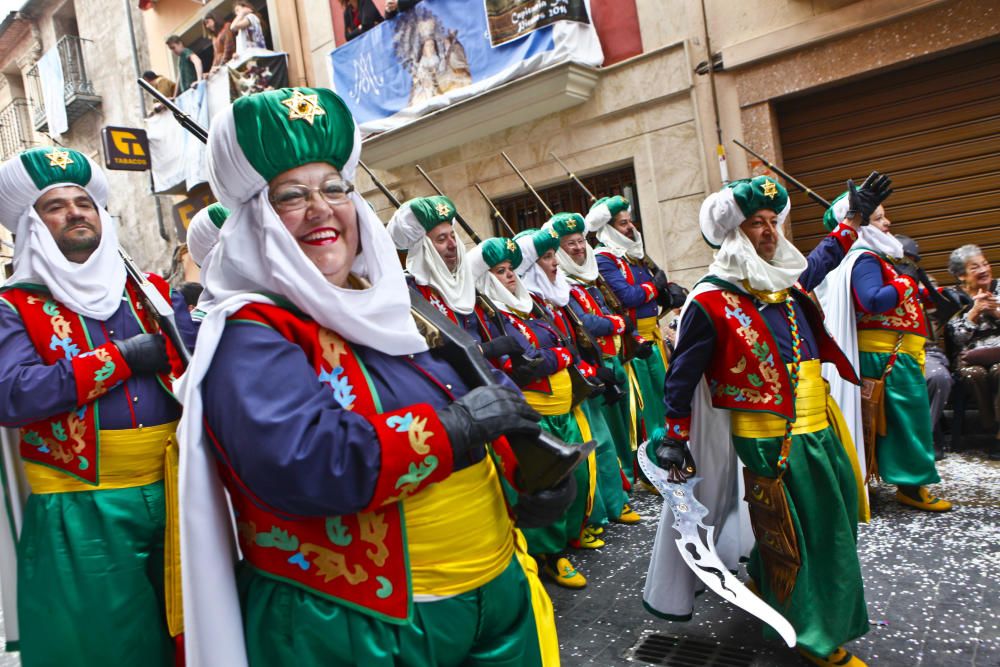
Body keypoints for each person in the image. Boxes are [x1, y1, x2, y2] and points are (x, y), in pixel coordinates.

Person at [177, 87, 569, 666]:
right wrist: (453, 428)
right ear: (259, 218)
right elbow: (301, 462)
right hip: (362, 624)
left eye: (334, 188)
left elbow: (483, 388)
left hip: (496, 592)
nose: (321, 208)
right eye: (292, 195)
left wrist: (528, 471)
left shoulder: (397, 304)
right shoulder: (250, 332)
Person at [644, 175, 872, 667]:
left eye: (773, 222)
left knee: (819, 522)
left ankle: (775, 588)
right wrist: (674, 437)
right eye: (756, 223)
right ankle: (815, 633)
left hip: (820, 424)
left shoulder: (783, 279)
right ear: (733, 232)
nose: (769, 231)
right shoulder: (709, 300)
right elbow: (681, 377)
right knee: (814, 530)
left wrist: (851, 221)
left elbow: (822, 260)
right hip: (771, 438)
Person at [0, 146, 195, 664]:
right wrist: (119, 359)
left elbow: (201, 353)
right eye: (56, 205)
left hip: (175, 487)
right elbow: (13, 393)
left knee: (190, 634)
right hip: (80, 503)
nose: (75, 212)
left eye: (83, 202)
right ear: (33, 225)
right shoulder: (13, 305)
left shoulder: (149, 291)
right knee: (101, 646)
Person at [467, 235, 596, 589]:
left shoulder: (533, 304)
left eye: (511, 269)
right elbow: (520, 365)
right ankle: (550, 555)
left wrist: (556, 358)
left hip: (563, 405)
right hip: (534, 409)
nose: (509, 276)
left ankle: (570, 537)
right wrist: (552, 358)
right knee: (547, 480)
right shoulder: (486, 316)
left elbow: (561, 345)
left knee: (578, 477)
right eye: (500, 271)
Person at [819, 187, 951, 512]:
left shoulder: (876, 256)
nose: (888, 223)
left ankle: (899, 481)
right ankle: (912, 486)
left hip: (894, 354)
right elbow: (873, 299)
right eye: (878, 218)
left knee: (895, 424)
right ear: (861, 226)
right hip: (886, 358)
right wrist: (905, 283)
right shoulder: (865, 257)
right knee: (907, 423)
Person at [514, 224, 631, 542]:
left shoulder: (555, 293)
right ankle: (585, 523)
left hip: (579, 381)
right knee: (576, 463)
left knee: (601, 448)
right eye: (548, 256)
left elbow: (575, 336)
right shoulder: (531, 305)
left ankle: (609, 508)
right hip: (554, 395)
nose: (556, 262)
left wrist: (590, 367)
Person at [549, 210, 652, 485]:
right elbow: (587, 323)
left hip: (617, 358)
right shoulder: (563, 284)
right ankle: (624, 481)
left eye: (581, 241)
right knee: (612, 431)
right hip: (597, 364)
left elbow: (608, 309)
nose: (579, 248)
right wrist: (617, 323)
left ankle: (638, 472)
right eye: (570, 243)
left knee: (630, 421)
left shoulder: (591, 275)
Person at [586, 195, 685, 452]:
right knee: (646, 408)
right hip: (634, 345)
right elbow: (627, 296)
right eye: (622, 224)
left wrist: (669, 291)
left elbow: (646, 292)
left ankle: (674, 451)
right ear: (608, 229)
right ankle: (651, 459)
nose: (630, 227)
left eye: (630, 221)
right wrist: (656, 285)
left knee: (664, 399)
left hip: (653, 336)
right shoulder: (604, 259)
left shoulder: (635, 256)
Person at [895, 235, 953, 460]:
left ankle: (921, 441)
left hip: (926, 350)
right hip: (890, 350)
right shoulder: (878, 281)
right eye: (902, 260)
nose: (906, 265)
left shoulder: (926, 286)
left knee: (936, 377)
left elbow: (943, 315)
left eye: (911, 260)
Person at [945, 244, 1000, 453]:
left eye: (985, 264)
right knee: (973, 374)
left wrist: (996, 312)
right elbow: (957, 339)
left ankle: (998, 433)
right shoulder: (953, 299)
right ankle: (991, 425)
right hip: (969, 358)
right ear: (961, 275)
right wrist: (974, 313)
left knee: (999, 370)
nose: (984, 270)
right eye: (975, 267)